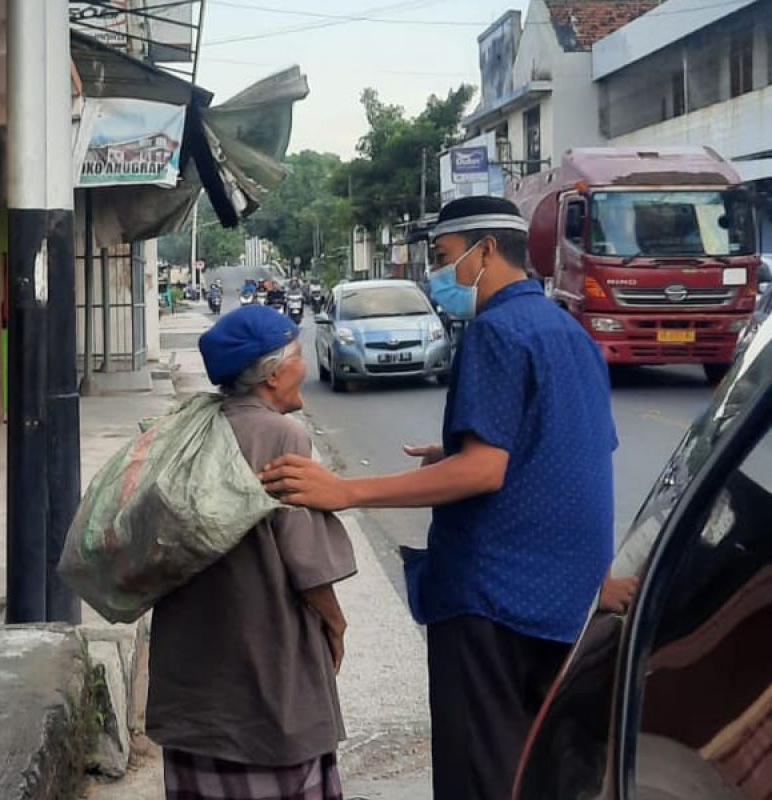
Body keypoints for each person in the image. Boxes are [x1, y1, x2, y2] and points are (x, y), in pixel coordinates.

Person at [260, 196, 622, 800]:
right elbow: (577, 456)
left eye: (444, 256)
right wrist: (597, 576)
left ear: (485, 251)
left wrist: (346, 491)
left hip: (494, 602)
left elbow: (484, 471)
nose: (438, 273)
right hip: (567, 604)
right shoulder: (570, 331)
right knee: (553, 773)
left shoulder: (495, 331)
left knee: (481, 775)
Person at [147, 305, 356, 800]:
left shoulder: (193, 428)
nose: (305, 366)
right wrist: (335, 621)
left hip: (189, 652)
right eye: (298, 356)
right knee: (273, 757)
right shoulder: (281, 435)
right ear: (273, 372)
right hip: (261, 649)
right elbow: (304, 559)